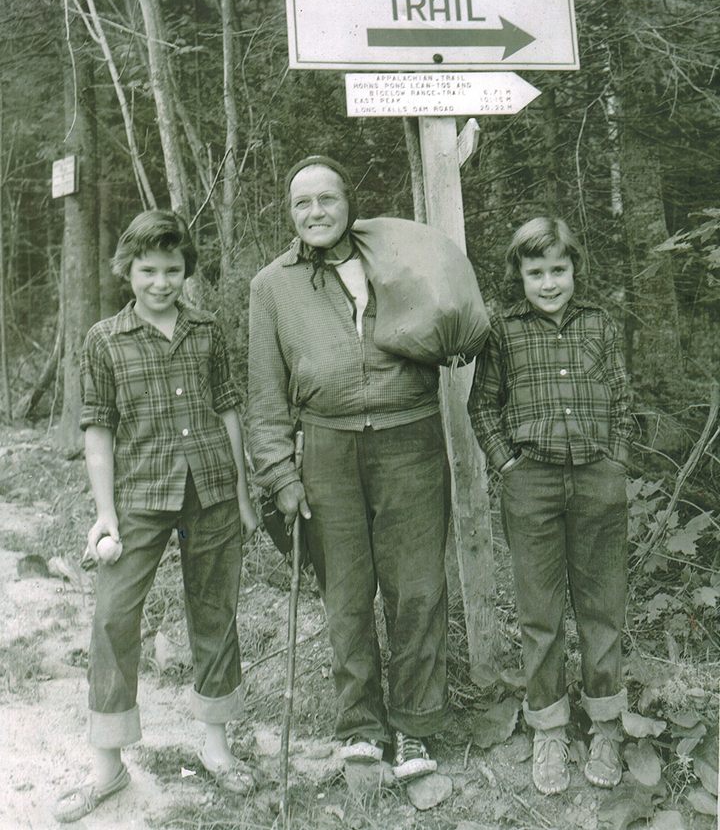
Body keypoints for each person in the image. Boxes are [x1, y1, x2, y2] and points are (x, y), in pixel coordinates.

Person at [247, 155, 450, 780]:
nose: (315, 213)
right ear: (290, 214)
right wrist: (280, 473)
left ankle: (415, 729)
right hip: (326, 449)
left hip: (410, 440)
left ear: (347, 202)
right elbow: (264, 389)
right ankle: (361, 727)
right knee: (347, 595)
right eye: (301, 203)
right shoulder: (271, 285)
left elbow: (449, 321)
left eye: (326, 199)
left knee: (417, 589)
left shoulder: (392, 258)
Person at [54, 210, 258, 823]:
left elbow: (229, 413)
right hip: (139, 497)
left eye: (172, 270)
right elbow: (98, 432)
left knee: (215, 615)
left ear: (185, 271)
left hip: (213, 490)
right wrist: (106, 516)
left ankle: (218, 749)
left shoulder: (207, 330)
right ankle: (107, 767)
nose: (161, 282)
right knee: (114, 618)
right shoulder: (103, 339)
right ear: (128, 271)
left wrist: (245, 496)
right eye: (148, 270)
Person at [468, 217, 633, 796]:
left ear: (574, 270)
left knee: (601, 606)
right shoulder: (502, 330)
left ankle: (607, 722)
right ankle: (549, 726)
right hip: (531, 481)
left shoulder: (599, 324)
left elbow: (622, 395)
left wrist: (616, 459)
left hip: (597, 479)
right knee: (540, 613)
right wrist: (509, 466)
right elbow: (483, 407)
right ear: (519, 275)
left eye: (558, 270)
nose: (548, 283)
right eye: (535, 272)